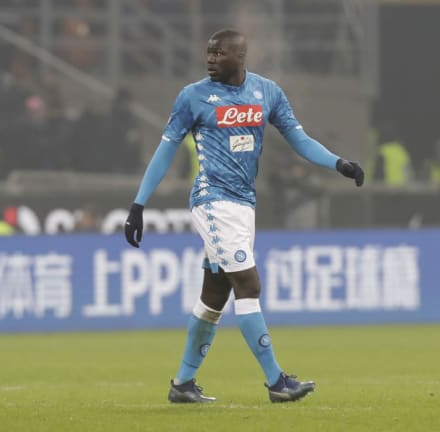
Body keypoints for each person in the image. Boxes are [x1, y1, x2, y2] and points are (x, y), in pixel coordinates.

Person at [123, 29, 364, 404]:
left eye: (219, 53)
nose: (211, 58)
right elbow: (165, 150)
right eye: (208, 52)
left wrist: (339, 163)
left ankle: (183, 385)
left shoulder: (267, 93)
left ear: (240, 55)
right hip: (212, 200)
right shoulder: (193, 96)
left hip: (243, 205)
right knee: (248, 285)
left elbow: (299, 140)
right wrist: (139, 204)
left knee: (214, 295)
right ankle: (276, 382)